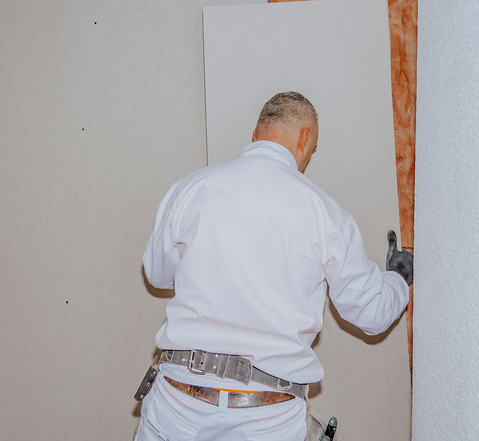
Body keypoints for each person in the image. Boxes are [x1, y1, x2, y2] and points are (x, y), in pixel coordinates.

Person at [135, 91, 413, 441]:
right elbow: (369, 313)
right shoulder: (325, 212)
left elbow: (157, 274)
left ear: (256, 135)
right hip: (267, 417)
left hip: (179, 404)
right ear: (304, 138)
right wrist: (399, 279)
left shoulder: (190, 189)